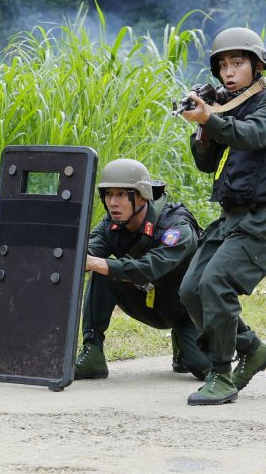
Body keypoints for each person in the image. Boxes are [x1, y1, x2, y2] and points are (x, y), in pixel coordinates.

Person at [178, 27, 266, 406]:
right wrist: (202, 122)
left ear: (256, 65)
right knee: (190, 290)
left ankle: (221, 373)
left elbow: (255, 134)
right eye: (223, 65)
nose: (229, 72)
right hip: (231, 217)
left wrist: (212, 119)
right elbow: (206, 163)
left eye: (238, 63)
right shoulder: (224, 106)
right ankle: (252, 349)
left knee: (216, 284)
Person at [75, 158, 211, 381]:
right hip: (148, 302)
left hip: (186, 309)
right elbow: (86, 252)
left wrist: (95, 263)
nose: (113, 202)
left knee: (204, 367)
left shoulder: (175, 227)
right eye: (109, 194)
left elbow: (149, 268)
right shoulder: (112, 225)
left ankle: (187, 343)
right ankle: (92, 351)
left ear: (141, 195)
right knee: (102, 271)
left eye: (121, 194)